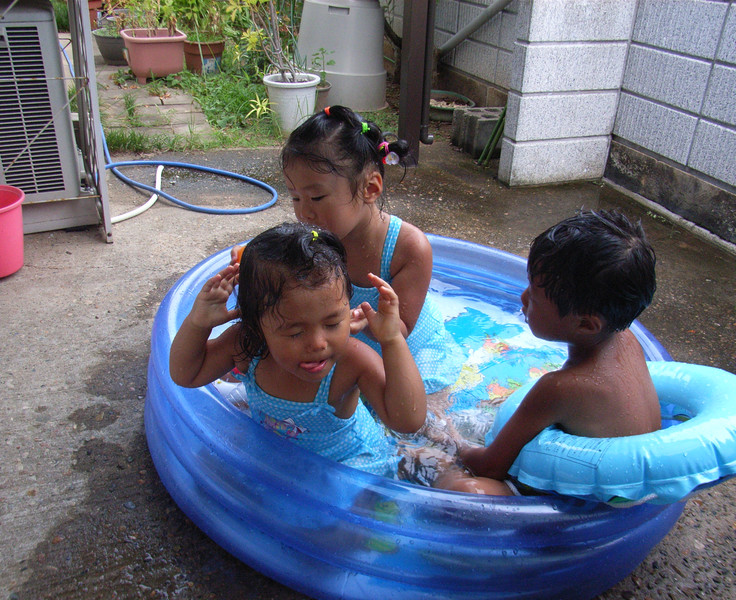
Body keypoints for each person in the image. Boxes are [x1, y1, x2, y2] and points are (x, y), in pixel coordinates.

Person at [169, 222, 426, 476]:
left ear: (349, 310)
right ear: (257, 324)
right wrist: (198, 323)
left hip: (346, 462)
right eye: (295, 332)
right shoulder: (248, 344)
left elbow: (407, 421)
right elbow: (186, 375)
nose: (318, 343)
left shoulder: (352, 361)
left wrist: (392, 340)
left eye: (332, 323)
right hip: (278, 451)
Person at [436, 209, 662, 495]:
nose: (522, 297)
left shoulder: (560, 388)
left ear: (586, 324)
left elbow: (489, 468)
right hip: (624, 483)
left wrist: (450, 438)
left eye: (534, 297)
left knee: (455, 483)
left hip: (577, 501)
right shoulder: (627, 340)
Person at [280, 105, 465, 400]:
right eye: (295, 198)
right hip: (350, 346)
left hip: (409, 350)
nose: (304, 213)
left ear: (370, 188)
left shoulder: (407, 248)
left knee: (421, 416)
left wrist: (367, 320)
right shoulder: (313, 239)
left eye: (316, 197)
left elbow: (400, 329)